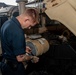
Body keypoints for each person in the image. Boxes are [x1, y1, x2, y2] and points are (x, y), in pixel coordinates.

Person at [0, 8, 39, 75]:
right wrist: (32, 57)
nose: (29, 28)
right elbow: (20, 59)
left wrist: (23, 48)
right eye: (30, 25)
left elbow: (9, 42)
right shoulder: (18, 32)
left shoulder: (7, 23)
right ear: (26, 19)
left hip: (4, 64)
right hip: (14, 69)